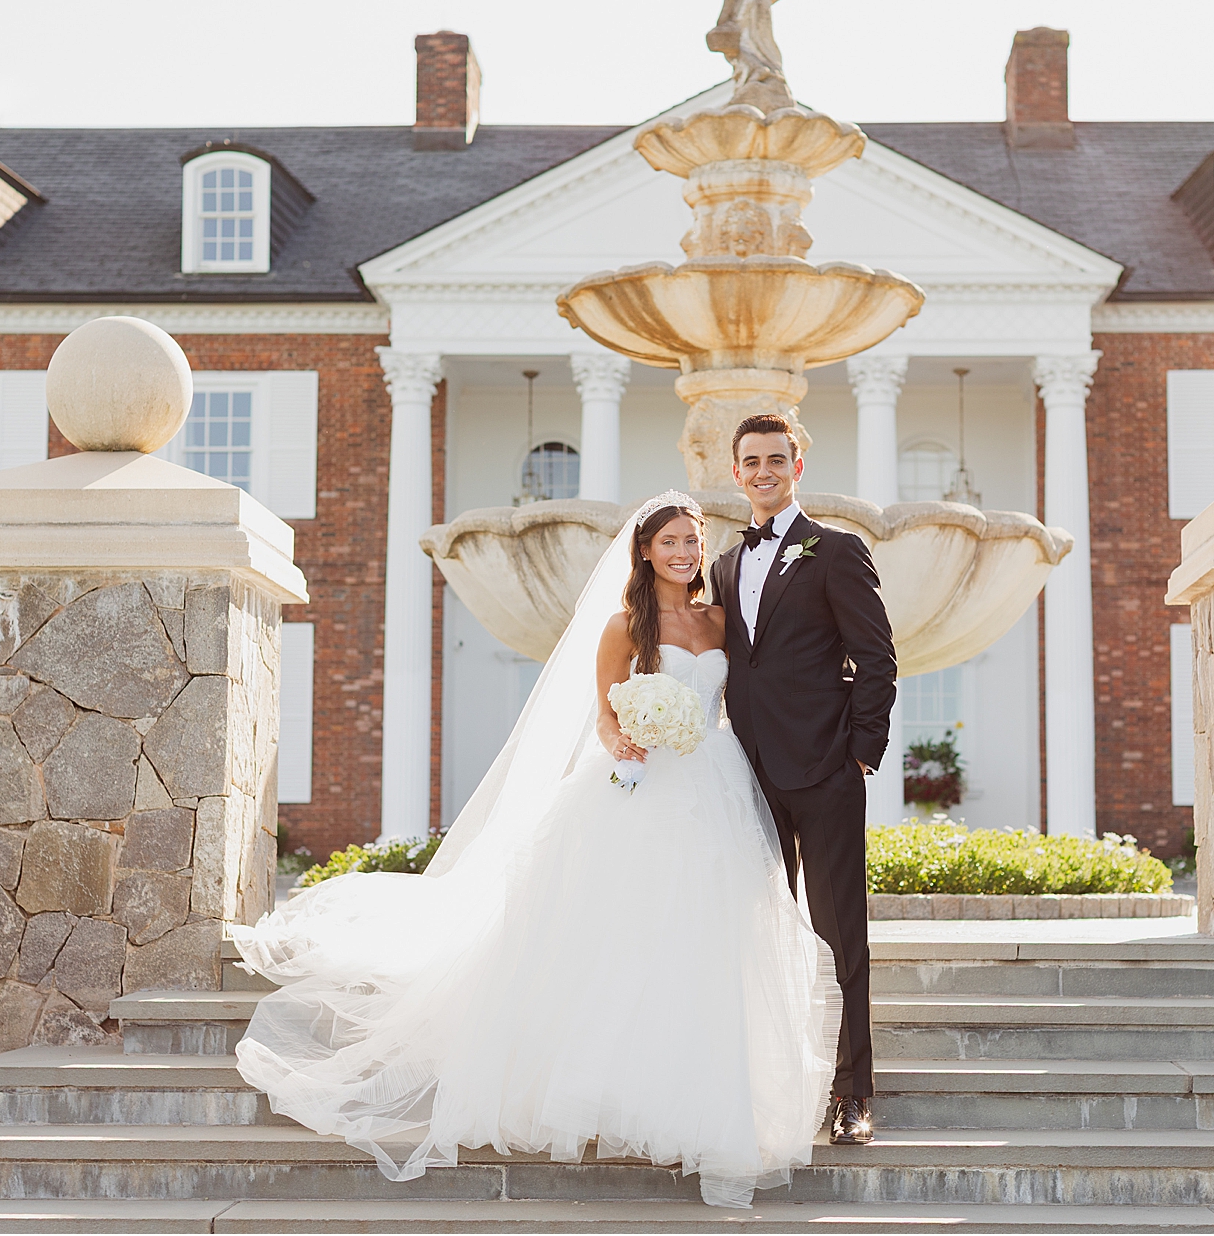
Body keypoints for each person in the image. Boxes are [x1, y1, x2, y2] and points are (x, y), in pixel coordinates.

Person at [228, 492, 841, 1209]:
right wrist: (629, 737)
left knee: (711, 940)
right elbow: (607, 718)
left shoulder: (720, 620)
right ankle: (607, 1087)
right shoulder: (624, 625)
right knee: (624, 936)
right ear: (646, 551)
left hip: (717, 786)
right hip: (643, 792)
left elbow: (750, 693)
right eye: (671, 541)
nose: (684, 552)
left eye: (693, 541)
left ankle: (707, 1100)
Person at [710, 414, 898, 1145]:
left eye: (775, 459)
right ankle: (771, 1079)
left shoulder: (837, 550)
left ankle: (853, 1092)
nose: (763, 471)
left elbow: (876, 655)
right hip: (746, 776)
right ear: (736, 472)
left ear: (796, 466)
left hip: (824, 770)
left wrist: (860, 751)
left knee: (840, 933)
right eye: (751, 460)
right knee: (757, 934)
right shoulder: (724, 564)